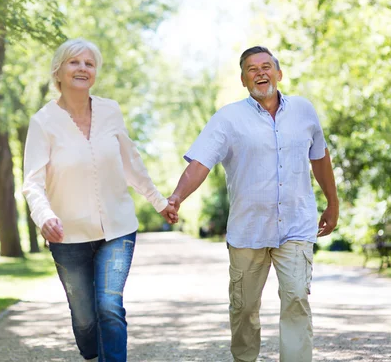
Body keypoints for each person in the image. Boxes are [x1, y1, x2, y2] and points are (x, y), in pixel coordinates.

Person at [168, 46, 339, 362]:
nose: (260, 72)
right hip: (248, 231)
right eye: (252, 69)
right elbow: (199, 164)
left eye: (266, 66)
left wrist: (333, 202)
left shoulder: (304, 111)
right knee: (244, 307)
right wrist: (177, 196)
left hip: (296, 225)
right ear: (244, 80)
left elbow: (320, 158)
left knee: (296, 299)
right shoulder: (228, 118)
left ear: (279, 73)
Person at [22, 38, 177, 362]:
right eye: (74, 62)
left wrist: (158, 201)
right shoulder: (43, 122)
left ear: (95, 72)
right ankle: (92, 351)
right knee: (85, 318)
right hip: (68, 234)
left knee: (109, 306)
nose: (82, 68)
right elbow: (32, 182)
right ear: (59, 71)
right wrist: (44, 215)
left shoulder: (110, 110)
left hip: (117, 228)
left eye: (89, 63)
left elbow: (130, 162)